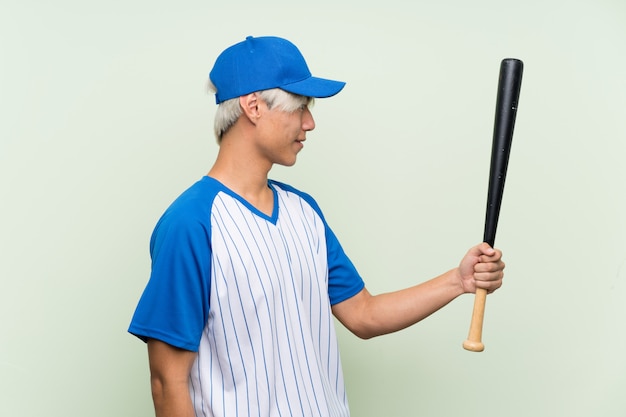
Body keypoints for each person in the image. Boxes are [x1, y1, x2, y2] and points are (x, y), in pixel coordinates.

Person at [128, 35, 505, 417]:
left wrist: (459, 281)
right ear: (253, 106)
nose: (310, 122)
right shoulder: (190, 224)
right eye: (300, 106)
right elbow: (166, 383)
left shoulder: (303, 211)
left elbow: (364, 314)